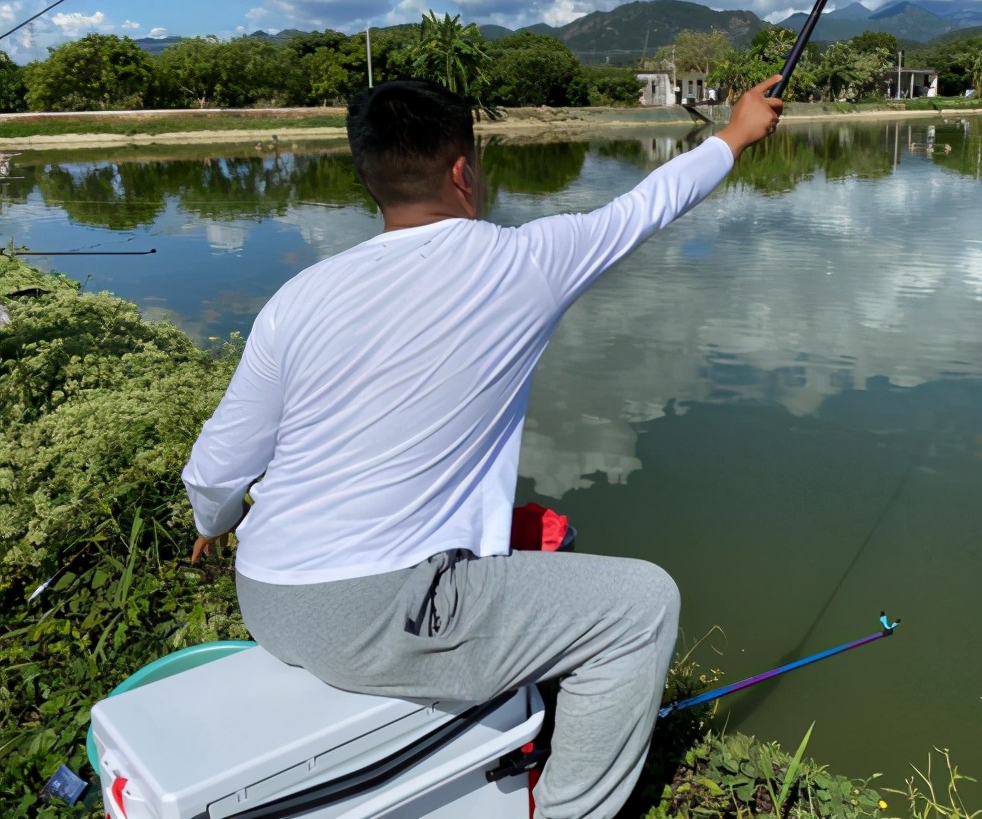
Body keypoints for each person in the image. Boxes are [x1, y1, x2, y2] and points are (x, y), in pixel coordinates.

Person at [179, 74, 784, 819]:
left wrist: (212, 522)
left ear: (368, 178)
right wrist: (736, 133)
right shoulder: (526, 260)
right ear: (464, 172)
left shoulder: (298, 297)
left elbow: (217, 467)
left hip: (266, 595)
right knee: (641, 606)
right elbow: (650, 203)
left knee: (528, 546)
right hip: (372, 618)